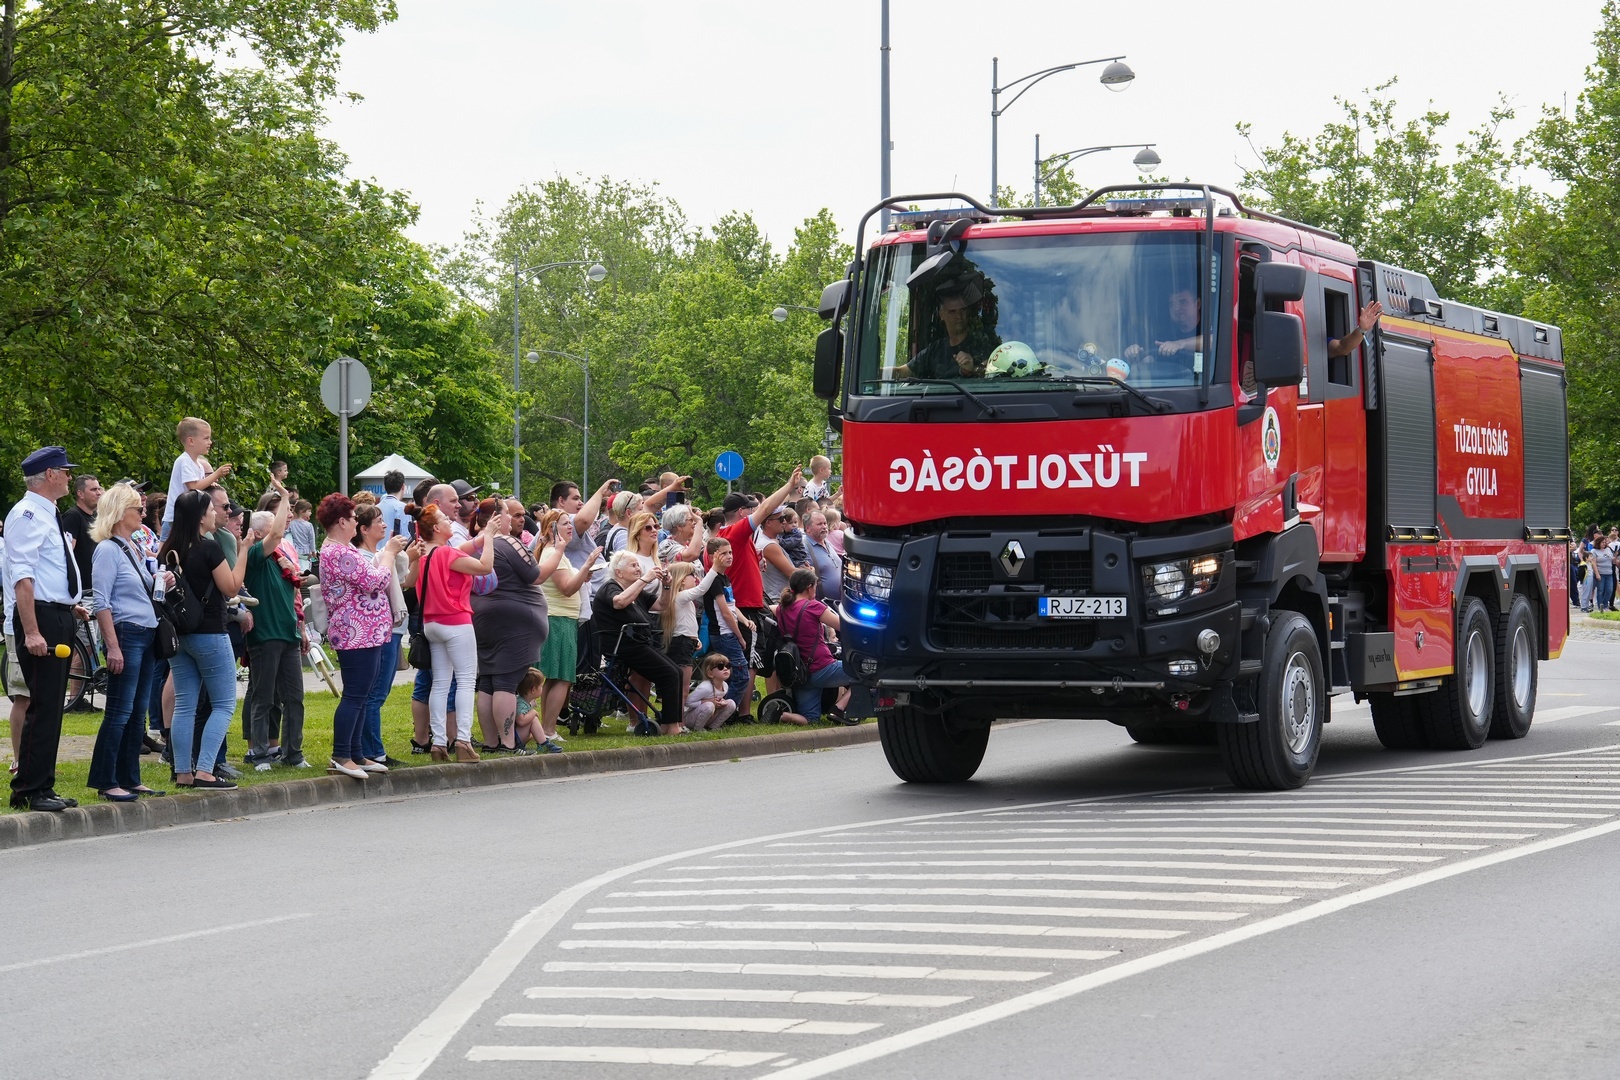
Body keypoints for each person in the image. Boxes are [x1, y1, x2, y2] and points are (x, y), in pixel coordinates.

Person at [5, 447, 87, 811]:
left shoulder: (47, 512)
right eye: (66, 471)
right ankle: (28, 789)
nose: (70, 477)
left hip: (57, 614)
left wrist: (70, 603)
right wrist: (33, 631)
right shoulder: (26, 515)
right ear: (50, 475)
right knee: (42, 706)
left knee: (53, 707)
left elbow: (49, 571)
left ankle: (43, 785)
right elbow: (22, 578)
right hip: (40, 618)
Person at [159, 488, 252, 789]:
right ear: (201, 517)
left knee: (185, 705)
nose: (216, 514)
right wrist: (244, 549)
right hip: (210, 633)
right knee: (223, 704)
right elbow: (231, 587)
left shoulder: (168, 550)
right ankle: (205, 771)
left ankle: (183, 772)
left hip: (179, 634)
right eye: (211, 510)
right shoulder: (209, 548)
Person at [87, 482, 173, 801]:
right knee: (120, 710)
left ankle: (129, 777)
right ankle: (106, 779)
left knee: (137, 712)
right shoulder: (108, 550)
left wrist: (162, 581)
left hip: (144, 632)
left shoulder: (131, 546)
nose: (144, 513)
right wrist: (112, 646)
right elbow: (102, 601)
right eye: (138, 508)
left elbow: (140, 589)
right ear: (121, 512)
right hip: (127, 633)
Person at [316, 493, 406, 778]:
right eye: (353, 517)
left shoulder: (342, 549)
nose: (356, 521)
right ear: (342, 522)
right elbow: (375, 581)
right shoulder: (338, 552)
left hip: (365, 633)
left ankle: (356, 753)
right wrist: (389, 553)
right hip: (356, 634)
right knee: (355, 695)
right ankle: (341, 754)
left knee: (362, 695)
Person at [418, 503, 501, 761]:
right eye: (444, 518)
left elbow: (461, 550)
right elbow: (485, 567)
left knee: (440, 683)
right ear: (437, 528)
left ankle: (438, 742)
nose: (449, 520)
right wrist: (489, 537)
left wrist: (481, 537)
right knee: (465, 680)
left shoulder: (427, 555)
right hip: (455, 620)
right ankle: (463, 741)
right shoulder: (448, 553)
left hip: (432, 623)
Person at [471, 498, 548, 754]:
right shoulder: (507, 542)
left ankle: (491, 742)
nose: (513, 519)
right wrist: (558, 549)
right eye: (507, 514)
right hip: (514, 622)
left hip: (484, 618)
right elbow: (534, 574)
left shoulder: (475, 544)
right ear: (496, 517)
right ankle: (507, 743)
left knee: (488, 682)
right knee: (506, 681)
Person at [241, 486, 303, 770]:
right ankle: (260, 754)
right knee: (263, 698)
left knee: (294, 698)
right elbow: (276, 534)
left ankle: (293, 754)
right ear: (258, 534)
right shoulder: (255, 554)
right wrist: (286, 498)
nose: (277, 533)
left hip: (288, 634)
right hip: (265, 636)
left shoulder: (281, 559)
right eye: (270, 528)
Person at [596, 551, 683, 735]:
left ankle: (670, 723)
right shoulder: (610, 587)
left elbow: (661, 605)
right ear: (619, 572)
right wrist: (644, 579)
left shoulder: (637, 591)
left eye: (638, 565)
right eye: (633, 565)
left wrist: (666, 586)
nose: (638, 568)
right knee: (668, 674)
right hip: (623, 645)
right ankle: (670, 725)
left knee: (676, 671)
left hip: (640, 643)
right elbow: (619, 602)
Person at [536, 509, 601, 752]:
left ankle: (546, 726)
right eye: (565, 524)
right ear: (551, 529)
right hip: (559, 619)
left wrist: (583, 573)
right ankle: (549, 729)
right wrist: (587, 565)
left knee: (553, 676)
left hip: (559, 618)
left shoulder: (553, 552)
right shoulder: (553, 553)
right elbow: (566, 588)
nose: (570, 527)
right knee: (563, 677)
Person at [356, 503, 416, 766]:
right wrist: (391, 554)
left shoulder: (378, 554)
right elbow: (377, 585)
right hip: (381, 631)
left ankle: (369, 748)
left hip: (391, 629)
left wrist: (407, 557)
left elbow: (403, 583)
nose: (384, 525)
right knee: (375, 693)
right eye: (378, 521)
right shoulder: (364, 557)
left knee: (378, 692)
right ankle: (373, 751)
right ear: (363, 529)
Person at [770, 567, 854, 725]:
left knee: (811, 719)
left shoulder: (781, 609)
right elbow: (843, 626)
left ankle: (782, 715)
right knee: (866, 674)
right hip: (822, 667)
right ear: (809, 587)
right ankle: (839, 708)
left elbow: (769, 608)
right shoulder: (814, 606)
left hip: (801, 673)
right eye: (815, 586)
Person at [893, 281, 996, 379]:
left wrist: (973, 369)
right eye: (952, 311)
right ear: (942, 314)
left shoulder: (982, 345)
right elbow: (902, 372)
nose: (959, 316)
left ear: (968, 313)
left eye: (962, 310)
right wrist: (883, 373)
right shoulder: (934, 351)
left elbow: (996, 374)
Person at [700, 536, 752, 715]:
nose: (729, 556)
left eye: (730, 552)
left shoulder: (724, 578)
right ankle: (726, 712)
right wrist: (740, 636)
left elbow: (731, 606)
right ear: (713, 557)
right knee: (741, 676)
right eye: (724, 553)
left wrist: (744, 620)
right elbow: (725, 613)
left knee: (730, 675)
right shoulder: (714, 580)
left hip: (728, 632)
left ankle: (722, 710)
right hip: (724, 634)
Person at [663, 559, 721, 711]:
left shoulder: (682, 599)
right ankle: (678, 719)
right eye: (692, 575)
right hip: (682, 644)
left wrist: (695, 639)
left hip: (685, 642)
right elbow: (702, 589)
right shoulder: (681, 596)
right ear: (682, 580)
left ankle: (676, 717)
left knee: (682, 687)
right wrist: (715, 568)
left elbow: (685, 623)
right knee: (682, 689)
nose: (695, 578)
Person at [162, 418, 232, 541]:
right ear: (191, 441)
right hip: (175, 519)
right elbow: (193, 487)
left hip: (188, 519)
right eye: (206, 438)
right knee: (166, 548)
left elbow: (199, 488)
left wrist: (211, 484)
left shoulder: (198, 465)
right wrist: (216, 474)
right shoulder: (184, 461)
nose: (210, 442)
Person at [1125, 287, 1201, 382]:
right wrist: (1136, 354)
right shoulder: (1166, 335)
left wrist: (1179, 344)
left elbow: (1213, 342)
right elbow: (1151, 359)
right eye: (1172, 304)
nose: (1176, 308)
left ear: (1197, 304)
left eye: (1183, 302)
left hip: (1202, 386)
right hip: (1171, 387)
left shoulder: (1210, 325)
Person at [60, 473, 102, 594]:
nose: (98, 493)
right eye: (93, 489)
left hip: (96, 587)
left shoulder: (96, 517)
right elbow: (66, 553)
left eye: (99, 489)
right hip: (82, 591)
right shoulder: (73, 516)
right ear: (80, 494)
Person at [684, 653, 739, 731]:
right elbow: (687, 702)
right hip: (690, 718)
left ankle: (713, 727)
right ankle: (698, 729)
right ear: (710, 673)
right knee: (709, 706)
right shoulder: (705, 687)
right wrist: (706, 701)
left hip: (708, 716)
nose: (725, 669)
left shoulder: (725, 685)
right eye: (720, 667)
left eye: (728, 666)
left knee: (731, 703)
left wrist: (720, 702)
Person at [512, 668, 555, 752]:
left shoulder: (523, 701)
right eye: (541, 686)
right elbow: (521, 720)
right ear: (533, 689)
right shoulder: (521, 703)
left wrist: (531, 705)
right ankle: (543, 744)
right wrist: (534, 712)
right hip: (516, 738)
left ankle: (542, 741)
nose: (542, 688)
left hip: (516, 736)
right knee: (533, 719)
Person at [804, 510, 842, 603]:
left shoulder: (826, 542)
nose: (824, 527)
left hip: (839, 602)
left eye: (825, 523)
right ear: (808, 528)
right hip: (822, 603)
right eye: (819, 524)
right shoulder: (804, 546)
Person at [379, 468, 411, 541]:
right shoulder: (404, 508)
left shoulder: (376, 509)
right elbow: (406, 536)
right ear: (403, 487)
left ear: (385, 487)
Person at [285, 500, 316, 570]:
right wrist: (313, 551)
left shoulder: (291, 524)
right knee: (306, 569)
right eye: (309, 511)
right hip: (306, 551)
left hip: (296, 551)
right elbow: (312, 539)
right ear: (302, 511)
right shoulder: (309, 525)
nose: (310, 513)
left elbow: (286, 532)